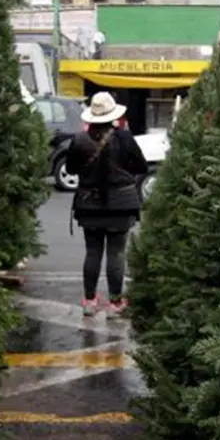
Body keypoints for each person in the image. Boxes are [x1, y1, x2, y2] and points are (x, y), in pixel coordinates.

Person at [66, 92, 148, 318]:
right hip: (121, 202)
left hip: (88, 203)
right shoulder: (124, 138)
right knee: (116, 253)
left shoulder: (79, 140)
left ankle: (90, 301)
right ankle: (115, 303)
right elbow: (141, 166)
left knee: (92, 252)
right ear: (113, 115)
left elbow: (71, 170)